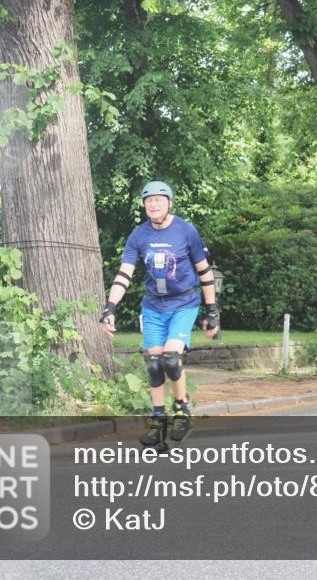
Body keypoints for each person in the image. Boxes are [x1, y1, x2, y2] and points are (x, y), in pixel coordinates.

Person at [99, 181, 221, 451]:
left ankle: (182, 409)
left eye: (158, 200)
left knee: (170, 360)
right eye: (149, 200)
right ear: (144, 205)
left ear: (169, 203)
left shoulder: (186, 231)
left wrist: (212, 311)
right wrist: (110, 307)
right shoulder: (138, 235)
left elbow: (204, 272)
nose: (153, 204)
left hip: (183, 303)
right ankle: (157, 423)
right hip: (153, 307)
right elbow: (124, 273)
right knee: (154, 365)